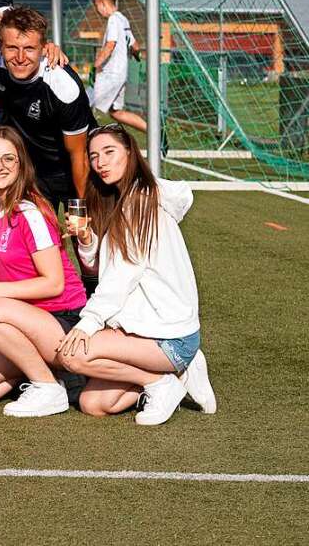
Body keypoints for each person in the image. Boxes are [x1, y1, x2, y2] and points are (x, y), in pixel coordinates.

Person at [57, 124, 216, 425]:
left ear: (130, 153)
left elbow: (121, 277)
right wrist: (87, 239)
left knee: (72, 355)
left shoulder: (140, 203)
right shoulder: (117, 200)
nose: (100, 162)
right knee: (93, 403)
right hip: (140, 327)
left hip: (168, 335)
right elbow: (102, 269)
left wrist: (88, 322)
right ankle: (171, 375)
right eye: (93, 156)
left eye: (109, 152)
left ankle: (161, 383)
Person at [0, 126, 87, 418]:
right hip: (18, 322)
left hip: (63, 320)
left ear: (21, 165)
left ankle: (48, 386)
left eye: (8, 159)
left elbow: (54, 283)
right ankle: (36, 372)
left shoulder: (30, 211)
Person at [0, 7, 95, 208]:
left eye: (29, 48)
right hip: (33, 170)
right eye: (11, 48)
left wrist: (81, 208)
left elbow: (79, 156)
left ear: (44, 48)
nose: (20, 57)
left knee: (85, 235)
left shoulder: (63, 87)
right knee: (34, 235)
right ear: (0, 46)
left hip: (72, 168)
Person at [89, 0, 147, 134]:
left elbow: (110, 45)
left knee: (82, 103)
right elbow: (135, 46)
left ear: (102, 4)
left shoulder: (114, 19)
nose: (98, 11)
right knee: (116, 112)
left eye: (97, 7)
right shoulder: (123, 19)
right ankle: (156, 132)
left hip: (111, 74)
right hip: (121, 74)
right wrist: (137, 56)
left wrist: (95, 66)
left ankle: (83, 142)